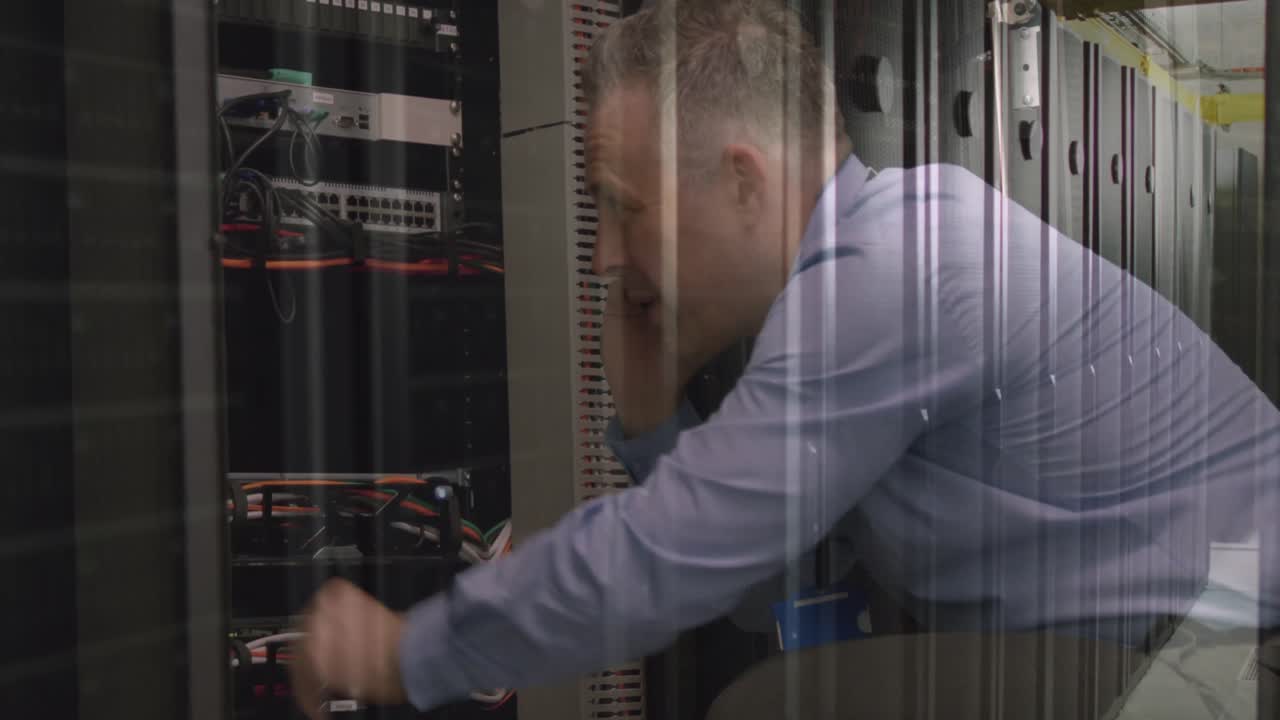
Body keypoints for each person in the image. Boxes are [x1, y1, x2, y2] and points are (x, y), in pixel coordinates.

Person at [288, 0, 1280, 715]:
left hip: (1221, 653)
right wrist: (649, 414)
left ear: (744, 183)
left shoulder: (891, 271)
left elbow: (675, 561)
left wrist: (409, 650)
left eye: (624, 209)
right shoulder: (847, 282)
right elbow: (766, 595)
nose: (606, 257)